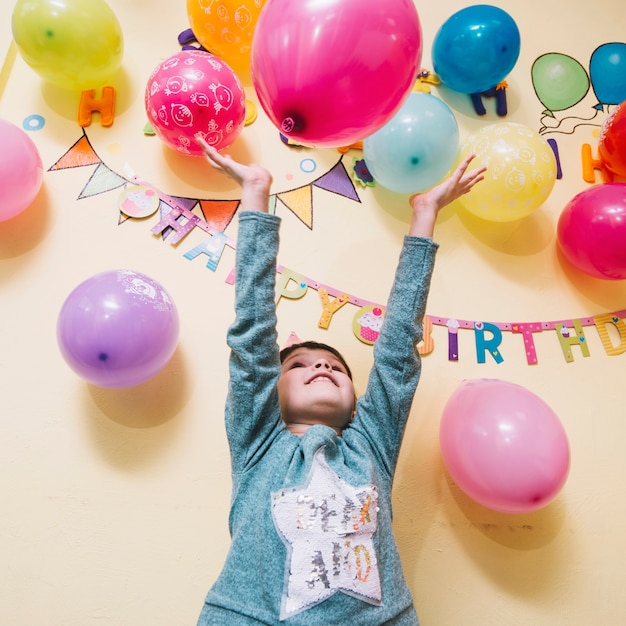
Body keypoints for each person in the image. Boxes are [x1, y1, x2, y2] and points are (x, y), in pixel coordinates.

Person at [195, 134, 485, 625]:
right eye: (299, 366)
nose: (322, 367)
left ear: (355, 402)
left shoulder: (370, 444)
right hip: (250, 616)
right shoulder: (257, 440)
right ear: (271, 392)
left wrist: (425, 214)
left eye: (335, 367)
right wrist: (256, 195)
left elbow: (396, 353)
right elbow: (252, 333)